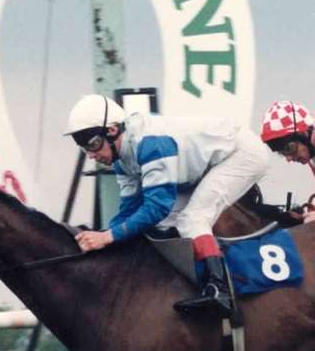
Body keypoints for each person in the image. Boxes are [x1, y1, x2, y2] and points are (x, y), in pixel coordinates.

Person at [64, 93, 273, 316]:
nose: (92, 155)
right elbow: (129, 210)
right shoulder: (122, 159)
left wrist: (107, 237)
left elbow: (156, 208)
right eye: (85, 149)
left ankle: (219, 291)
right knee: (163, 225)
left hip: (241, 154)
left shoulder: (151, 143)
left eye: (94, 145)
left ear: (113, 130)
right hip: (202, 168)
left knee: (192, 219)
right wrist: (105, 237)